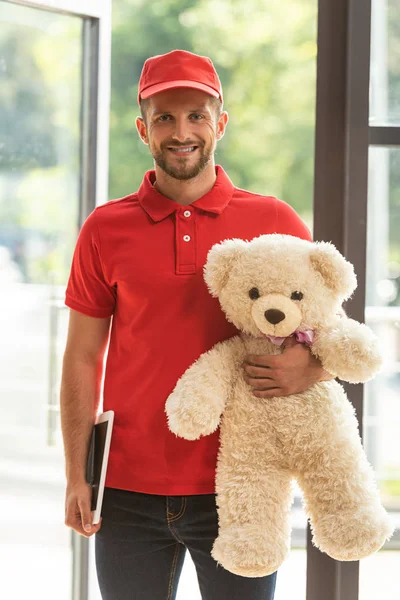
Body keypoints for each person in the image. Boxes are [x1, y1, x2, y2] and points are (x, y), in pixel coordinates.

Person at [61, 50, 332, 600]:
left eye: (196, 116)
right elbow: (81, 357)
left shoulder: (274, 221)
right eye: (164, 117)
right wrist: (76, 475)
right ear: (143, 128)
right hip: (127, 489)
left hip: (242, 485)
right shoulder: (104, 228)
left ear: (220, 124)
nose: (181, 132)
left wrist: (308, 367)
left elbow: (330, 332)